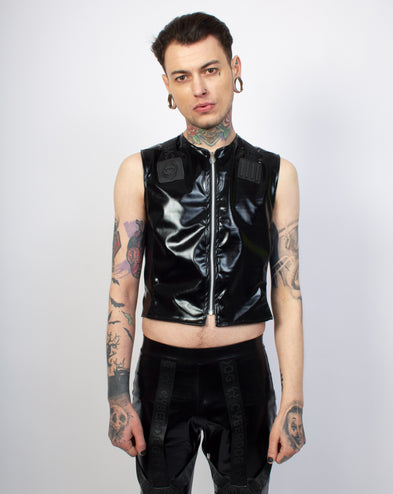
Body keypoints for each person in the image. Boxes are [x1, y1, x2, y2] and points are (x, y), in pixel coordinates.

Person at [106, 12, 305, 494]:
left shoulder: (276, 173)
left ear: (235, 69)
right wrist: (117, 397)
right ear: (167, 86)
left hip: (243, 372)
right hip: (163, 374)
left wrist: (293, 402)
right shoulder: (140, 170)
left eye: (210, 70)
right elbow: (122, 288)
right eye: (182, 76)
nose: (199, 88)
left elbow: (287, 293)